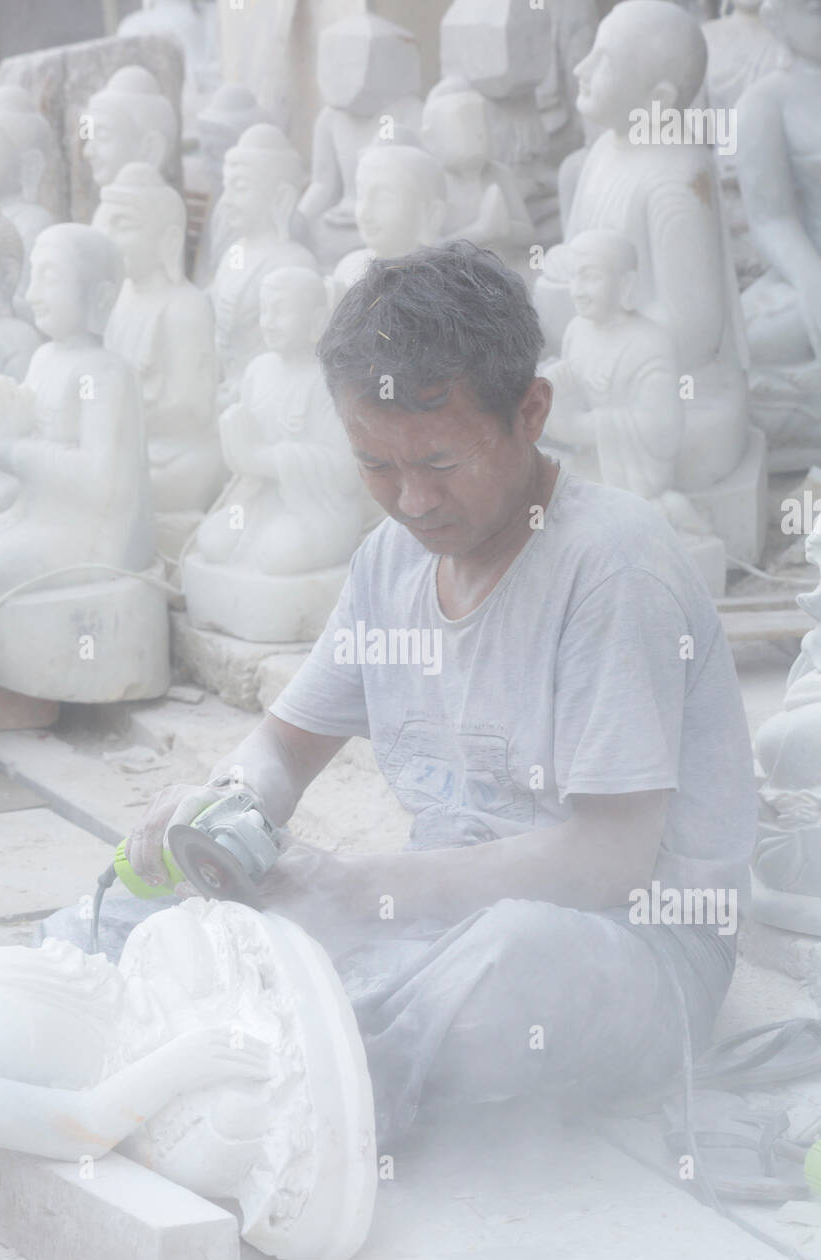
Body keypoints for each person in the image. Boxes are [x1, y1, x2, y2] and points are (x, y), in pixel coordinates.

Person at [124, 242, 757, 1145]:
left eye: (441, 461)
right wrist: (224, 807)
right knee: (182, 919)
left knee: (511, 962)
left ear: (530, 411)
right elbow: (280, 747)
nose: (412, 500)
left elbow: (610, 859)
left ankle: (338, 1096)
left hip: (630, 950)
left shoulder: (613, 568)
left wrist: (361, 891)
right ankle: (311, 1056)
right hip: (438, 921)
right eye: (376, 465)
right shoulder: (390, 563)